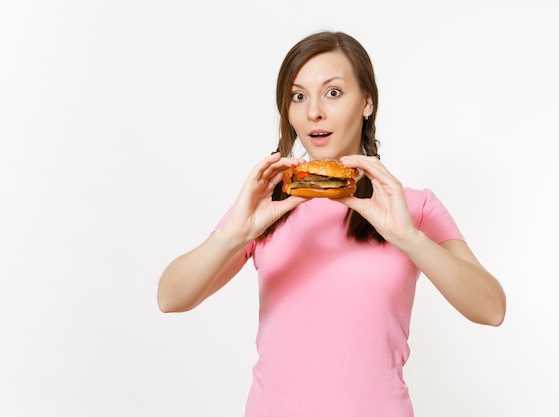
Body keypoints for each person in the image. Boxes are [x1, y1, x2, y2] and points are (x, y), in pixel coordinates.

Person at [157, 30, 506, 417]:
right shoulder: (264, 206)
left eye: (333, 92)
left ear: (367, 102)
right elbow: (170, 298)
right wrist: (235, 234)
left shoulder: (412, 207)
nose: (313, 112)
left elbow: (491, 309)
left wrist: (408, 238)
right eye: (298, 96)